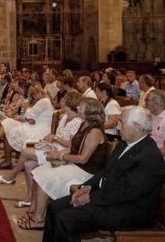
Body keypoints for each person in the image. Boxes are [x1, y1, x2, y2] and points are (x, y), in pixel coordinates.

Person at [32, 107, 165, 242]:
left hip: (129, 211)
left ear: (137, 127)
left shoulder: (150, 156)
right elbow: (105, 173)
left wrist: (91, 198)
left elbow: (128, 192)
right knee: (55, 207)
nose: (118, 127)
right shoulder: (124, 144)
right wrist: (85, 187)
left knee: (67, 219)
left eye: (122, 123)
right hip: (112, 199)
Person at [22, 98, 109, 230]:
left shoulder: (95, 131)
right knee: (38, 172)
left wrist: (61, 156)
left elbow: (83, 158)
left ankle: (39, 219)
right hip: (76, 165)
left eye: (81, 106)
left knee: (45, 177)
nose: (78, 107)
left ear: (89, 112)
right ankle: (34, 210)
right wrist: (57, 153)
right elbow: (73, 147)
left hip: (86, 172)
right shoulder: (84, 124)